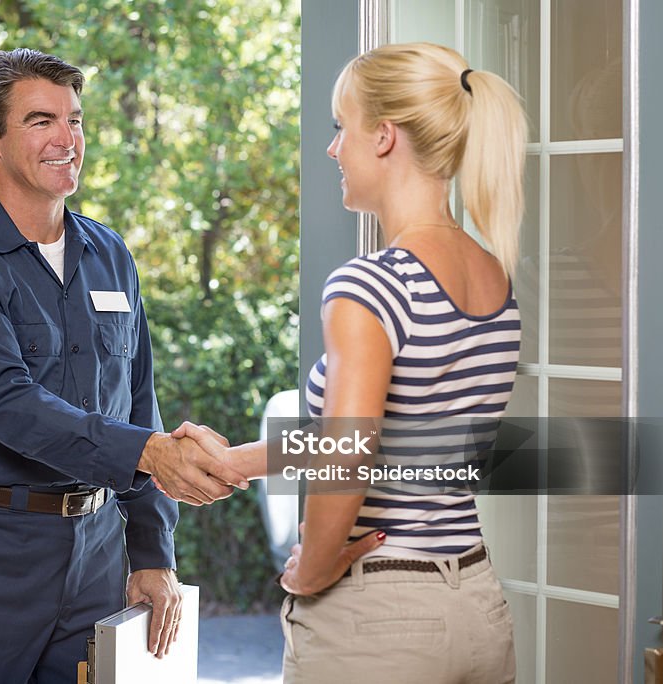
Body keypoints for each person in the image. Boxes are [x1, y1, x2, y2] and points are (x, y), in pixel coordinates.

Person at [176, 42, 526, 683]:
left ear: (386, 138)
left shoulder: (370, 286)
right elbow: (393, 433)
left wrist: (309, 572)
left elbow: (349, 449)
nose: (334, 148)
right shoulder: (492, 277)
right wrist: (234, 463)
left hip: (381, 620)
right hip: (475, 600)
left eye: (343, 128)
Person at [0, 48, 249, 683]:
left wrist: (151, 550)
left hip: (95, 553)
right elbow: (11, 406)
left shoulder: (108, 253)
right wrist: (151, 452)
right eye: (41, 121)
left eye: (76, 120)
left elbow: (138, 401)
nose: (67, 139)